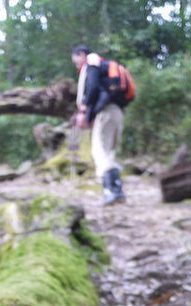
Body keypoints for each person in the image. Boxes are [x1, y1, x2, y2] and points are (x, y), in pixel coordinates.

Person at [71, 44, 126, 205]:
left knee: (100, 151)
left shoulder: (92, 63)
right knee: (108, 152)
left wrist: (84, 112)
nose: (77, 65)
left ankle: (112, 192)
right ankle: (117, 191)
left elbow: (93, 87)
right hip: (116, 112)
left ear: (81, 54)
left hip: (106, 113)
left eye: (76, 61)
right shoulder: (102, 66)